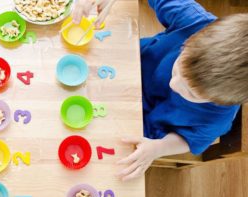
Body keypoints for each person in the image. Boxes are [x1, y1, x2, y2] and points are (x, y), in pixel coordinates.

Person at [72, 0, 248, 181]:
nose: (174, 84)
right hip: (126, 66)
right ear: (190, 41)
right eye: (178, 68)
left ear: (218, 102)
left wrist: (159, 148)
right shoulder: (194, 21)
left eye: (192, 93)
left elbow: (191, 141)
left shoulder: (218, 118)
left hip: (142, 126)